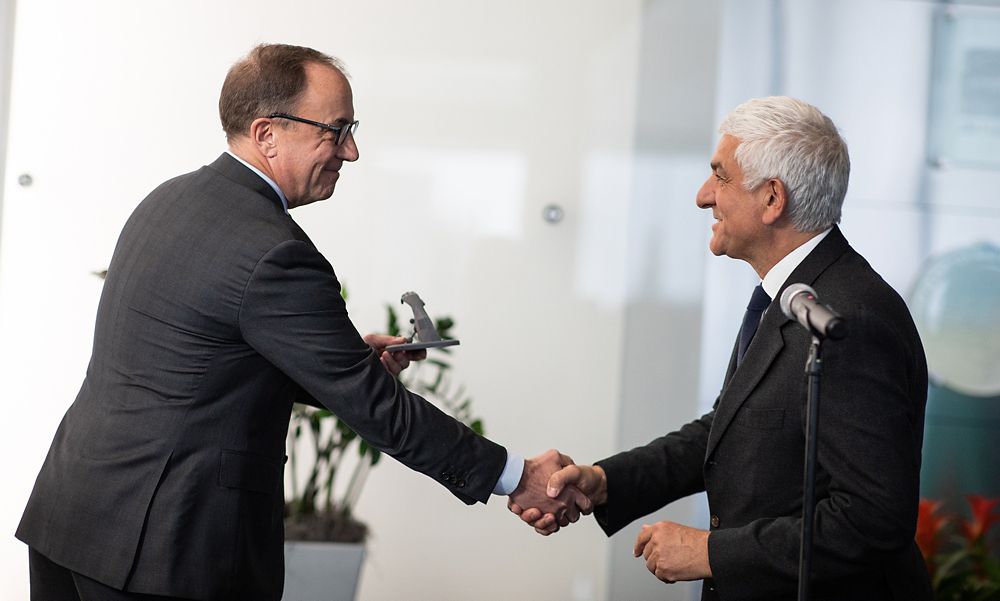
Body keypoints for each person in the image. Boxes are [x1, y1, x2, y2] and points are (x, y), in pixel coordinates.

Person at [16, 43, 585, 601]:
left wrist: (347, 358)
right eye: (335, 130)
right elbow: (377, 409)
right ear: (267, 134)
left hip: (73, 518)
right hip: (166, 551)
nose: (352, 151)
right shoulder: (275, 252)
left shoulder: (167, 200)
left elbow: (197, 361)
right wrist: (516, 475)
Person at [511, 96, 933, 601]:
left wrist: (711, 553)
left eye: (721, 176)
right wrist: (606, 481)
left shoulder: (849, 319)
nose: (703, 196)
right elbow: (730, 430)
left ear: (772, 198)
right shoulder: (792, 292)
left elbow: (872, 521)